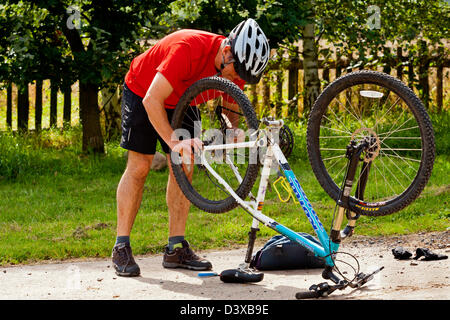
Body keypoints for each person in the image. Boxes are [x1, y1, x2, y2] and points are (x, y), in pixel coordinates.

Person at [112, 18, 270, 277]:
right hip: (144, 90)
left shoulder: (236, 67)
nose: (237, 78)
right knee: (140, 165)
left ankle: (175, 248)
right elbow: (153, 99)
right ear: (227, 52)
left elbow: (231, 106)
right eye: (236, 72)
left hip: (184, 100)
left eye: (242, 77)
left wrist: (232, 131)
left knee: (184, 166)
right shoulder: (188, 48)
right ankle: (121, 245)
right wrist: (174, 141)